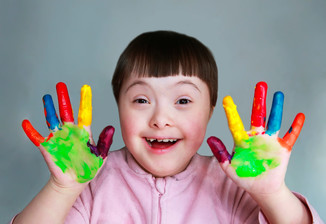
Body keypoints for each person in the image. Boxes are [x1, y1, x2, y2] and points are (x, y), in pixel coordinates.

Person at [11, 31, 323, 223]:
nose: (161, 118)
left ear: (211, 110)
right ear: (119, 106)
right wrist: (62, 189)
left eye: (183, 101)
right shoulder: (90, 185)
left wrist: (272, 194)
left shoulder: (236, 185)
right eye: (142, 100)